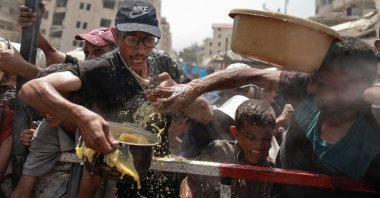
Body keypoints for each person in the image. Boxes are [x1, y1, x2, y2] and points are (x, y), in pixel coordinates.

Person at [18, 0, 212, 197]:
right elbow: (31, 89)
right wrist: (80, 115)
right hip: (118, 184)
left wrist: (179, 92)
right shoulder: (101, 69)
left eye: (148, 40)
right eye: (132, 40)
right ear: (116, 35)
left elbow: (206, 113)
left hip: (163, 179)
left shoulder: (164, 63)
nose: (141, 49)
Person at [146, 36, 380, 197]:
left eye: (324, 84)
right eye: (312, 79)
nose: (311, 89)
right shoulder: (303, 84)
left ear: (357, 87)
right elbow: (250, 74)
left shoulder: (373, 136)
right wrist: (194, 87)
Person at [183, 99, 278, 198]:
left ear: (273, 136)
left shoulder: (273, 173)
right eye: (250, 137)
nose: (258, 145)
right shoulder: (220, 151)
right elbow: (188, 181)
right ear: (235, 133)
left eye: (266, 139)